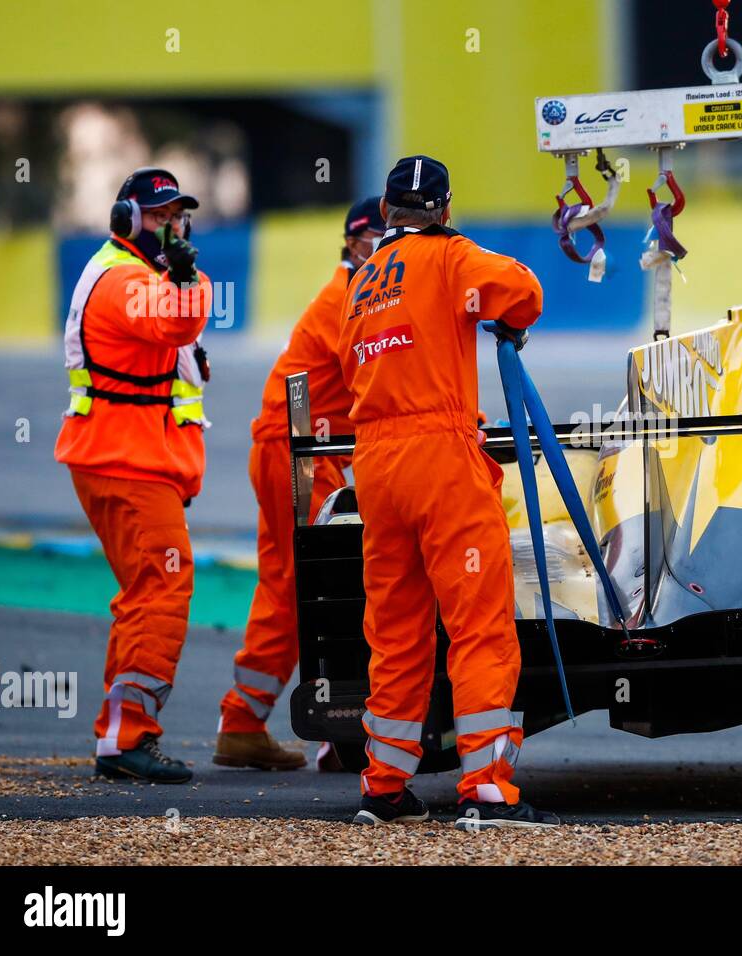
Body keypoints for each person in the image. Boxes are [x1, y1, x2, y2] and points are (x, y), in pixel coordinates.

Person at [338, 155, 558, 828]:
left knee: (397, 631)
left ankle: (384, 786)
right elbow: (524, 290)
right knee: (479, 624)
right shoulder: (451, 255)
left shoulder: (360, 279)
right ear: (445, 208)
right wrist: (504, 321)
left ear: (385, 210)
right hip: (438, 456)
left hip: (374, 464)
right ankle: (486, 787)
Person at [213, 198, 386, 771]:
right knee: (322, 592)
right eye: (380, 237)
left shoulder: (353, 294)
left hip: (297, 450)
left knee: (291, 588)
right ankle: (336, 730)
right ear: (354, 242)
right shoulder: (353, 300)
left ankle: (249, 721)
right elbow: (386, 389)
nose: (389, 247)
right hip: (299, 456)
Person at [54, 167, 210, 784]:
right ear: (126, 220)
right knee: (163, 589)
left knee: (146, 592)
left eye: (177, 215)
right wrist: (187, 275)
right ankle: (127, 737)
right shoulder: (123, 279)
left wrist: (177, 271)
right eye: (158, 215)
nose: (170, 225)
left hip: (130, 460)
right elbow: (177, 325)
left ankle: (120, 733)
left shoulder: (139, 273)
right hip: (125, 462)